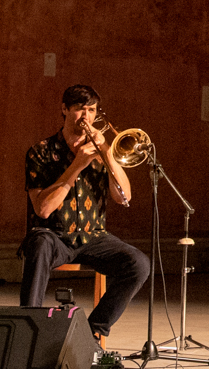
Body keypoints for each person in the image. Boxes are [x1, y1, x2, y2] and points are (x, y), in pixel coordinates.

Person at [20, 84, 151, 344]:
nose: (86, 117)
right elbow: (43, 209)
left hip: (93, 236)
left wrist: (107, 154)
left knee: (139, 264)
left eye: (91, 110)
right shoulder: (41, 152)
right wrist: (77, 165)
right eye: (80, 110)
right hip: (54, 235)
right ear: (65, 109)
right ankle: (29, 329)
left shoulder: (102, 155)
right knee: (38, 245)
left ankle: (91, 331)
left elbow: (124, 197)